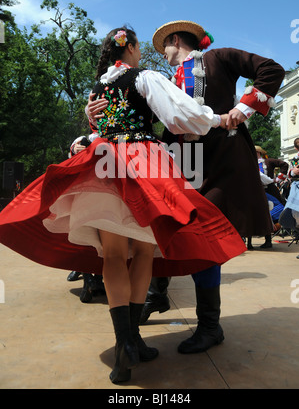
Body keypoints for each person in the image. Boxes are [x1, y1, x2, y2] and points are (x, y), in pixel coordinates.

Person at [0, 26, 247, 385]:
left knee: (112, 256)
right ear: (129, 48)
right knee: (144, 252)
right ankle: (131, 340)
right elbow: (179, 113)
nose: (142, 53)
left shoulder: (98, 88)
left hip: (103, 165)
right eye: (138, 47)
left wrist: (88, 123)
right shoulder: (143, 77)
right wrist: (216, 119)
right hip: (141, 164)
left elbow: (99, 130)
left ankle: (124, 347)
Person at [135, 20, 285, 354]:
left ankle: (209, 325)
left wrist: (243, 108)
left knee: (201, 235)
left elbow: (271, 69)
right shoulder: (162, 80)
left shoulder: (219, 57)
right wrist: (95, 112)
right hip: (179, 159)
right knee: (165, 228)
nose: (165, 55)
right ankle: (156, 296)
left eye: (166, 48)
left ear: (176, 40)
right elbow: (137, 114)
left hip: (220, 159)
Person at [67, 134, 106, 303]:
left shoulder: (119, 134)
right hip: (87, 194)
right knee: (85, 237)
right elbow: (71, 158)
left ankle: (95, 279)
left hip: (108, 194)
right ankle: (89, 279)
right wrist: (75, 150)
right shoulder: (84, 138)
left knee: (102, 241)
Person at [279, 138, 299, 238]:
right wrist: (292, 172)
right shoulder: (295, 159)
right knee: (295, 212)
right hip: (296, 189)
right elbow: (289, 174)